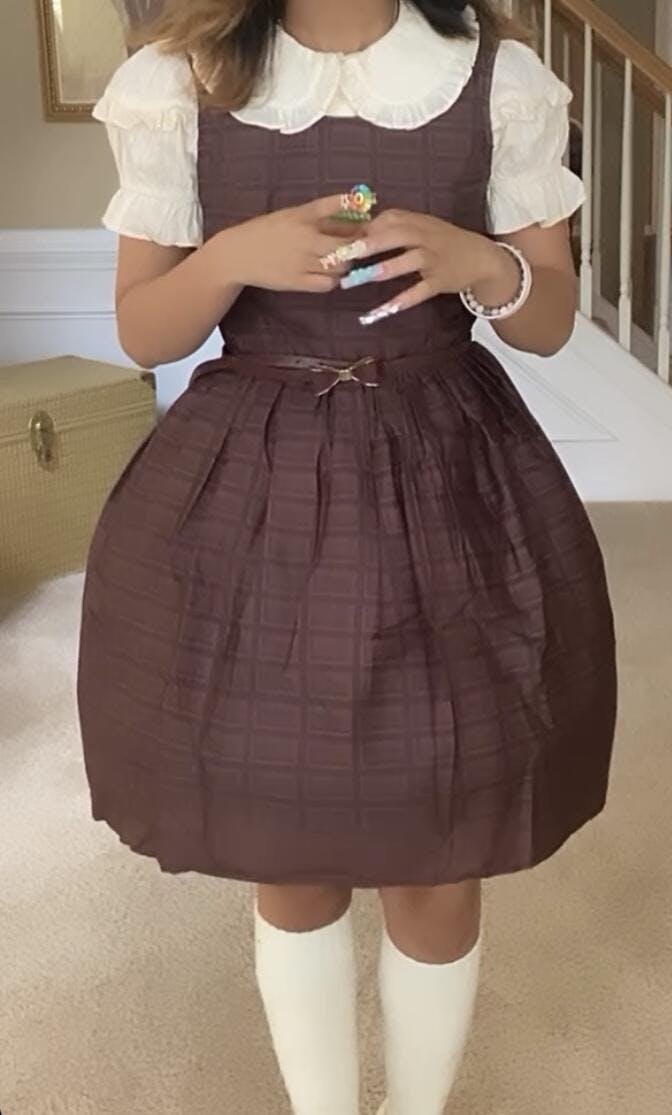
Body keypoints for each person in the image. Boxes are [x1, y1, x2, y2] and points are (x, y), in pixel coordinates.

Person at [77, 1, 617, 1112]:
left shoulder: (497, 78)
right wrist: (230, 256)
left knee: (443, 838)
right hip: (259, 488)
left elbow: (550, 318)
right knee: (291, 841)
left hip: (452, 480)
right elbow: (143, 331)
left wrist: (483, 262)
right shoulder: (179, 83)